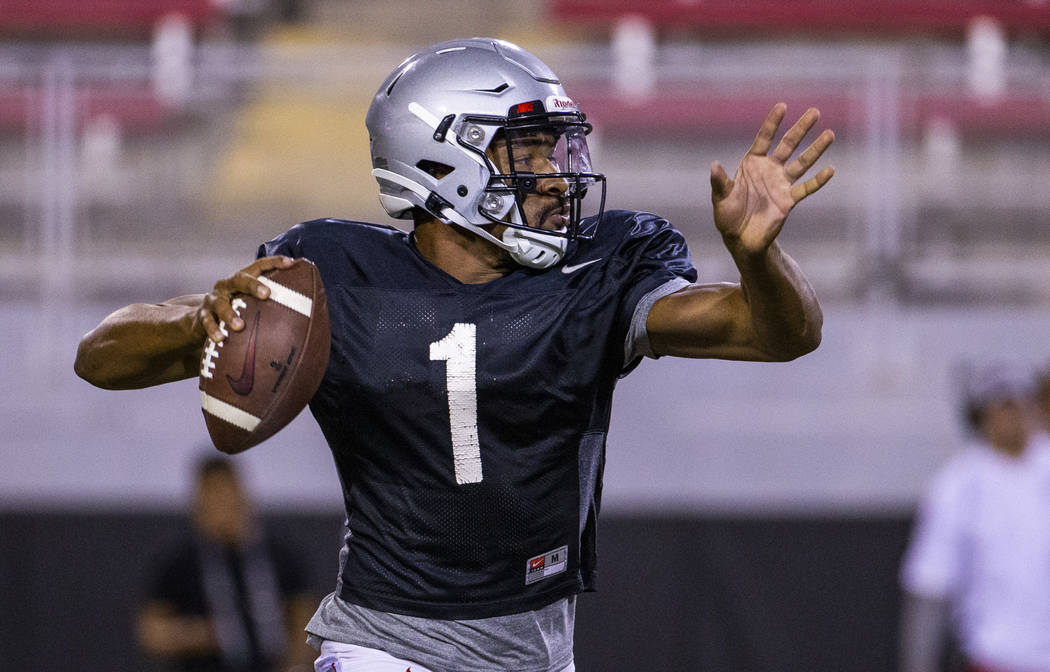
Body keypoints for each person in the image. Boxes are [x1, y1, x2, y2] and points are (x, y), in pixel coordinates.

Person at [76, 38, 832, 672]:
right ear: (443, 163)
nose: (558, 176)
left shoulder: (594, 272)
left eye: (561, 147)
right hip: (386, 643)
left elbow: (779, 335)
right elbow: (99, 357)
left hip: (537, 647)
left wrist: (758, 259)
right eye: (531, 150)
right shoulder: (330, 275)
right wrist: (200, 320)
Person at [899, 363, 1050, 672]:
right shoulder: (957, 485)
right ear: (981, 417)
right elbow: (931, 585)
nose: (1011, 417)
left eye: (1018, 405)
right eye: (1001, 407)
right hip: (995, 658)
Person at [138, 455, 316, 672]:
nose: (222, 506)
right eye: (213, 497)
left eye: (227, 495)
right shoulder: (180, 561)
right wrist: (201, 634)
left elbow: (305, 621)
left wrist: (294, 664)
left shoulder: (278, 554)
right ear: (198, 502)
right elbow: (152, 633)